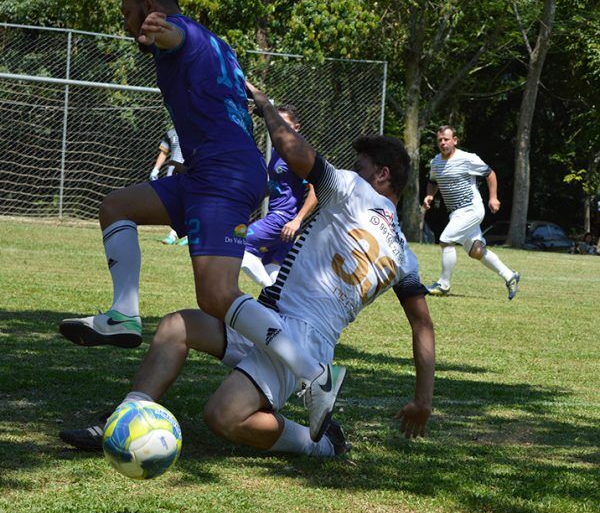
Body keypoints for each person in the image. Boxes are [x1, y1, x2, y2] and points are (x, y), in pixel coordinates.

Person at [60, 83, 436, 457]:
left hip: (301, 340)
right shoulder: (406, 256)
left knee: (224, 416)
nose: (352, 170)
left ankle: (318, 443)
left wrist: (265, 107)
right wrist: (423, 400)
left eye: (360, 166)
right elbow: (422, 325)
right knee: (176, 327)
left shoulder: (355, 190)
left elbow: (294, 152)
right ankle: (126, 415)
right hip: (270, 322)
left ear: (382, 175)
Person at [59, 0, 351, 444]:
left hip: (224, 174)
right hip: (202, 173)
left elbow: (173, 34)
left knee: (216, 296)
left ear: (150, 6)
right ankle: (123, 315)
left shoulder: (179, 31)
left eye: (129, 14)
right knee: (116, 207)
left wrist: (158, 28)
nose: (127, 24)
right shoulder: (216, 43)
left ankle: (314, 374)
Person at [422, 125, 520, 299]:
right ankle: (510, 276)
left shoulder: (468, 159)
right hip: (455, 213)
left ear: (455, 140)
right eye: (440, 140)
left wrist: (493, 198)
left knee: (446, 239)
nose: (443, 143)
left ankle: (443, 285)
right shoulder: (436, 162)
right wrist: (430, 196)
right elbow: (433, 181)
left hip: (471, 209)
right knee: (476, 251)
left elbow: (490, 173)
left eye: (446, 139)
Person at [241, 104, 318, 287]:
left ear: (296, 127)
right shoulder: (278, 150)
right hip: (279, 219)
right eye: (276, 123)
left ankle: (270, 296)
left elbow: (315, 191)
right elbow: (277, 186)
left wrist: (297, 220)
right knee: (272, 266)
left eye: (284, 123)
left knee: (235, 243)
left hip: (284, 220)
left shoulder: (298, 152)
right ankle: (280, 307)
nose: (279, 127)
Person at [149, 127, 188, 246]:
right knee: (173, 205)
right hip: (172, 172)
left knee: (186, 203)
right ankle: (175, 234)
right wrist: (155, 170)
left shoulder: (195, 128)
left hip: (189, 171)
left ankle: (182, 235)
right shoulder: (171, 132)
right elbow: (164, 152)